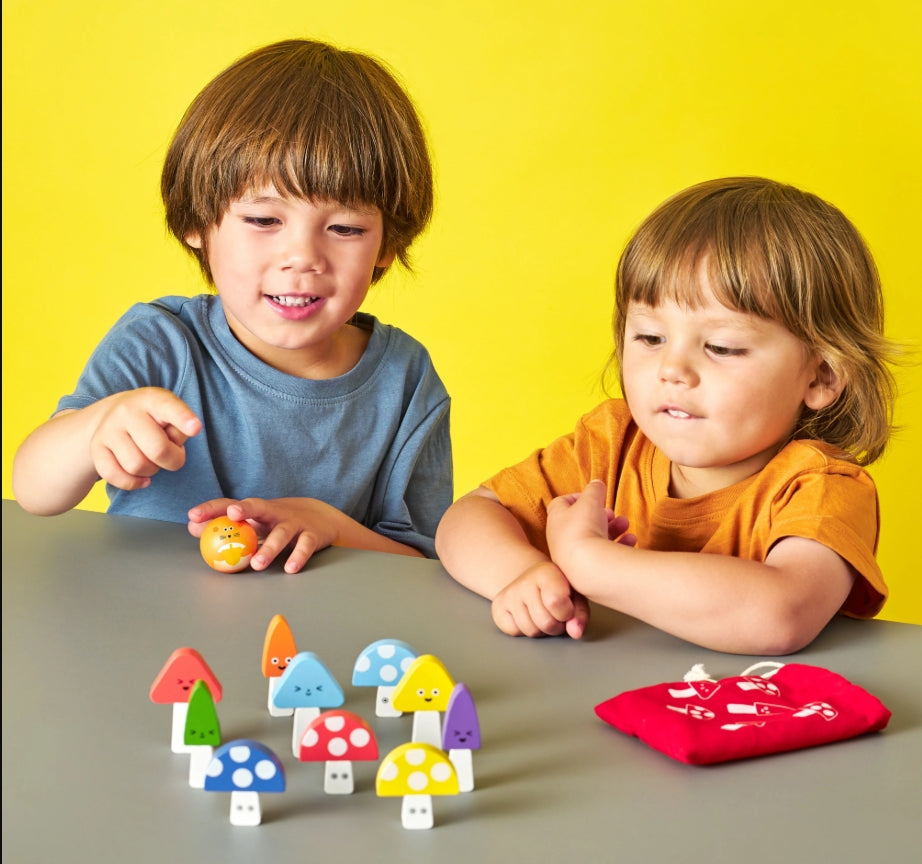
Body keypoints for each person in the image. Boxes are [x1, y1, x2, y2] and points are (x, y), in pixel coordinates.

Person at [12, 39, 451, 571]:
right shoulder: (159, 343)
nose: (302, 257)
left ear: (386, 245)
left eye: (345, 228)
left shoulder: (405, 379)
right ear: (198, 222)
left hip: (320, 645)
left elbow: (422, 564)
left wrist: (330, 525)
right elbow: (34, 492)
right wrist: (94, 428)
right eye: (264, 220)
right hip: (157, 633)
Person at [435, 176, 897, 655]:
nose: (672, 369)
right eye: (651, 338)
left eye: (722, 346)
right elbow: (468, 517)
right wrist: (523, 576)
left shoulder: (822, 488)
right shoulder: (613, 441)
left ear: (820, 376)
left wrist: (591, 564)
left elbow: (780, 614)